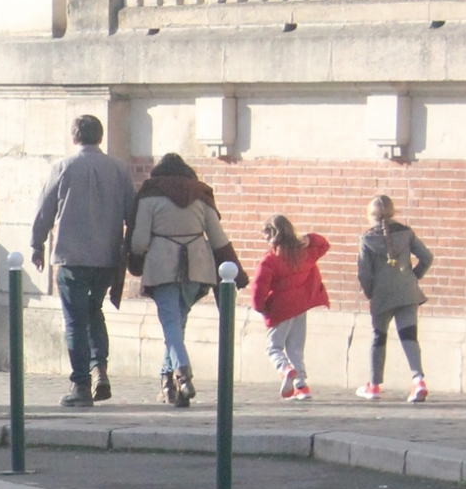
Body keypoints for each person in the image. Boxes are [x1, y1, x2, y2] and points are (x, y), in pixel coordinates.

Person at [29, 113, 137, 407]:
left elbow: (44, 210)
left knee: (75, 320)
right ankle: (99, 366)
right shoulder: (118, 169)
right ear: (99, 137)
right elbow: (132, 214)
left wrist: (36, 245)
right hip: (106, 257)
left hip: (70, 256)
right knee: (94, 312)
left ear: (74, 137)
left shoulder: (63, 167)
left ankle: (80, 385)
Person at [128, 153, 239, 408]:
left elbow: (139, 242)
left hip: (162, 265)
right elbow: (218, 238)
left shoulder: (149, 196)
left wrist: (135, 257)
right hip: (198, 264)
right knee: (177, 324)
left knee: (170, 323)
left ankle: (183, 374)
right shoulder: (201, 195)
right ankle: (169, 385)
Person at [357, 193, 434, 402]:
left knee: (378, 338)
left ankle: (373, 385)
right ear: (393, 212)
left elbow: (364, 273)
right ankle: (418, 380)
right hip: (407, 292)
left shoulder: (366, 239)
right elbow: (427, 257)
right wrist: (413, 277)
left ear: (370, 215)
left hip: (382, 296)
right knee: (409, 335)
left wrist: (370, 292)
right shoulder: (406, 233)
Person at [252, 214, 329, 401]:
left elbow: (259, 288)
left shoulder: (270, 260)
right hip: (301, 305)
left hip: (279, 309)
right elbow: (323, 244)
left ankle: (285, 369)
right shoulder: (305, 253)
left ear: (272, 236)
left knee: (274, 347)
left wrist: (260, 307)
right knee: (296, 347)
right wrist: (309, 238)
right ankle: (301, 386)